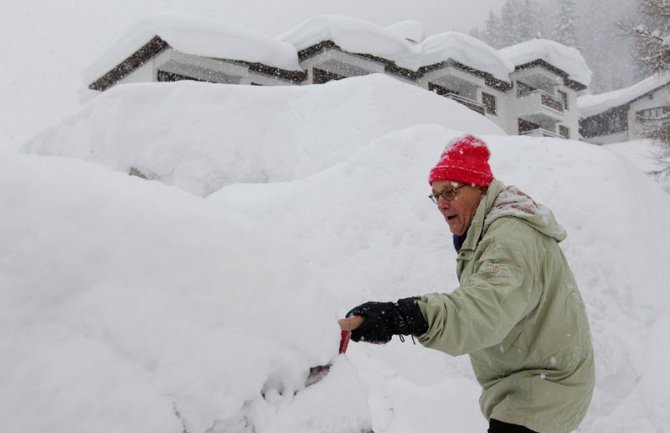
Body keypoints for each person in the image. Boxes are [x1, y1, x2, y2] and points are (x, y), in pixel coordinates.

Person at [340, 134, 595, 433]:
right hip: (529, 384)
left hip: (544, 389)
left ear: (480, 188)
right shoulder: (484, 231)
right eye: (436, 195)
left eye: (450, 191)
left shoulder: (508, 239)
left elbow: (482, 310)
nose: (441, 203)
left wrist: (402, 317)